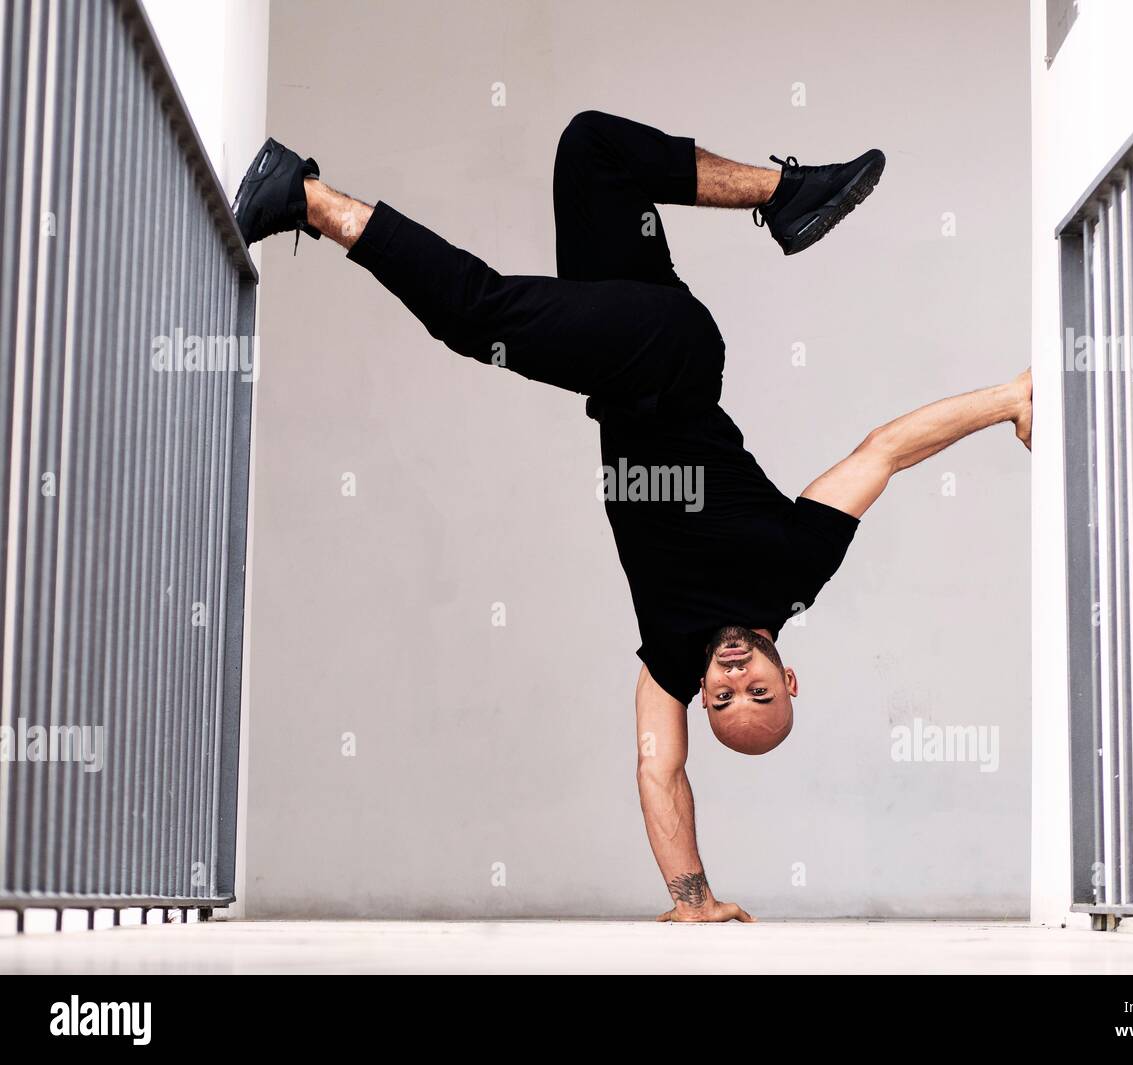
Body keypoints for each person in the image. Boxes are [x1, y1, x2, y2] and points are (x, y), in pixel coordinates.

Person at [232, 111, 1031, 922]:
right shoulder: (797, 564)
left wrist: (693, 897)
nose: (729, 682)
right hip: (670, 355)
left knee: (592, 150)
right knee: (480, 317)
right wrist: (1007, 399)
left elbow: (659, 770)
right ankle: (305, 197)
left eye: (724, 701)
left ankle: (790, 195)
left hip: (625, 357)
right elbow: (886, 449)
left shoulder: (672, 657)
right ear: (786, 675)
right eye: (757, 688)